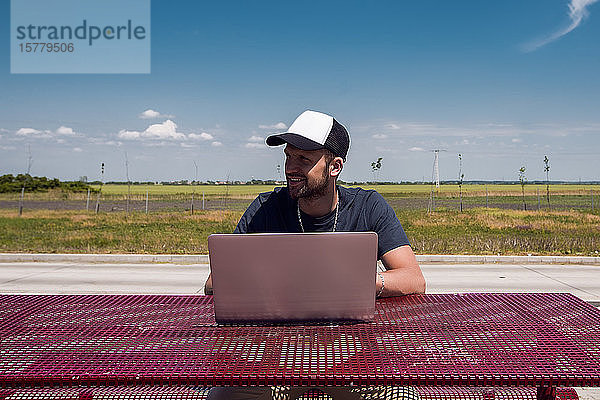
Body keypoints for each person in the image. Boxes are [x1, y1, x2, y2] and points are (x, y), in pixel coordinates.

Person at [204, 110, 425, 400]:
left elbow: (414, 279)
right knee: (223, 396)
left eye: (303, 160)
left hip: (353, 362)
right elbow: (213, 283)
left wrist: (365, 284)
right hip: (276, 362)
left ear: (335, 166)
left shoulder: (368, 206)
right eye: (288, 156)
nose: (290, 168)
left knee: (404, 397)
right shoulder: (264, 208)